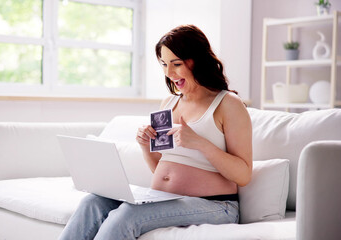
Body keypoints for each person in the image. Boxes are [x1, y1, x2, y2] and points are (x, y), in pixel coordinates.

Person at [59, 24, 252, 240]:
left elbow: (243, 175)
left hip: (216, 204)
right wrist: (145, 146)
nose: (169, 73)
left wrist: (199, 143)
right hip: (164, 198)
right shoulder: (169, 103)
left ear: (198, 60)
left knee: (127, 215)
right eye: (164, 65)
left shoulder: (228, 104)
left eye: (176, 64)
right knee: (92, 202)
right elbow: (160, 169)